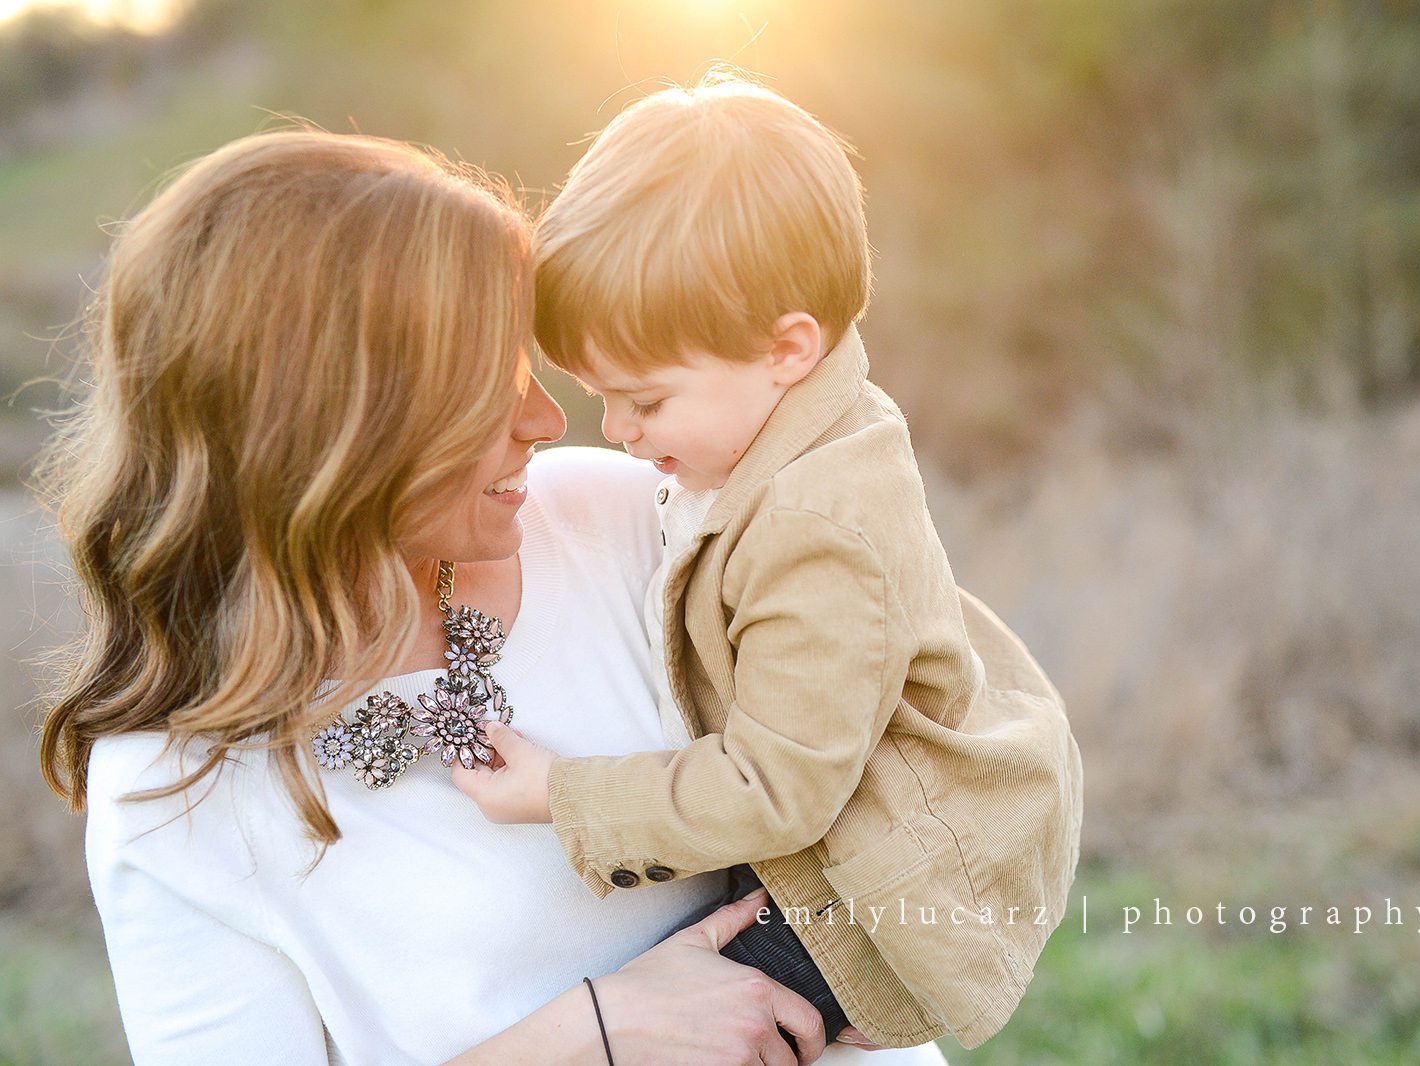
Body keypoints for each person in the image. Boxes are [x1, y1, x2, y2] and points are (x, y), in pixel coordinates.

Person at [36, 128, 833, 1065]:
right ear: (329, 426)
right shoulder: (173, 792)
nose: (546, 420)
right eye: (484, 387)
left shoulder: (630, 516)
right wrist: (598, 1031)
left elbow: (925, 748)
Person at [451, 73, 1085, 1052]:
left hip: (865, 906)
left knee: (688, 1034)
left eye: (648, 400)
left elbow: (775, 788)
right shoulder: (782, 428)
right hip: (827, 856)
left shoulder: (817, 525)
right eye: (601, 395)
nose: (615, 432)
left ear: (787, 346)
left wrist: (559, 793)